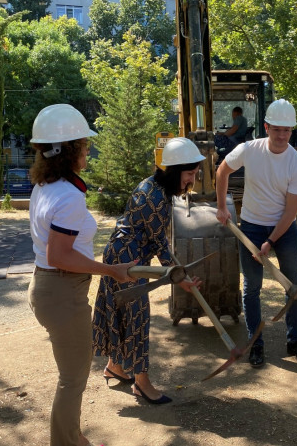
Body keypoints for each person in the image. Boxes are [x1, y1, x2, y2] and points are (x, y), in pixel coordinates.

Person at [28, 104, 137, 446]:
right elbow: (59, 255)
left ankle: (73, 436)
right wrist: (110, 270)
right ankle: (68, 442)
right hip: (61, 293)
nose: (88, 150)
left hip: (48, 288)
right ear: (67, 150)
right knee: (73, 378)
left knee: (71, 374)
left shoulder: (46, 186)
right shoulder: (68, 196)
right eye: (84, 144)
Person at [92, 137, 203, 404]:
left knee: (123, 314)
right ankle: (141, 383)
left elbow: (156, 243)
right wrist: (181, 278)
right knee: (137, 318)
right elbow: (160, 245)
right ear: (174, 171)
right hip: (128, 262)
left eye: (195, 174)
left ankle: (116, 367)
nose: (192, 180)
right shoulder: (156, 197)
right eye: (189, 174)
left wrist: (179, 275)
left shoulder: (156, 187)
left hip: (123, 255)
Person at [215, 98, 297, 368]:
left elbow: (290, 212)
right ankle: (255, 343)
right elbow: (222, 171)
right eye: (277, 129)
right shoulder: (249, 150)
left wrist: (271, 241)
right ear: (267, 127)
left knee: (293, 287)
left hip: (284, 229)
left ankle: (294, 341)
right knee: (252, 288)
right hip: (251, 226)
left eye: (287, 130)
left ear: (291, 131)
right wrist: (222, 207)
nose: (282, 136)